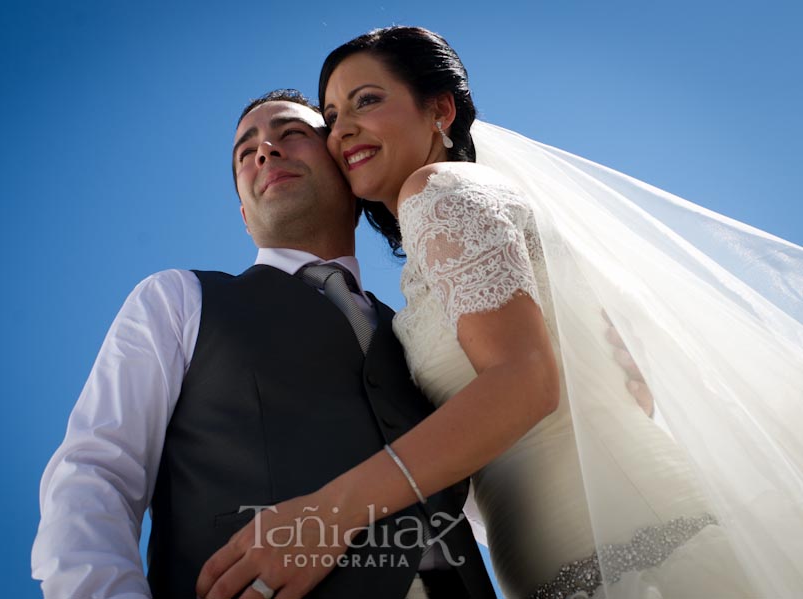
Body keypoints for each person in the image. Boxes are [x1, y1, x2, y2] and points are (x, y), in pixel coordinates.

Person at [200, 26, 803, 599]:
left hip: (643, 556)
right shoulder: (452, 234)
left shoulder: (438, 191)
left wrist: (326, 517)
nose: (344, 130)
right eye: (332, 119)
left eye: (366, 100)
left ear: (440, 111)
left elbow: (525, 383)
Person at [31, 90, 499, 599]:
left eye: (292, 134)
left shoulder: (423, 334)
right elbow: (95, 472)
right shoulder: (178, 299)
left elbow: (487, 500)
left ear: (347, 164)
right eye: (245, 151)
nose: (265, 151)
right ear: (244, 213)